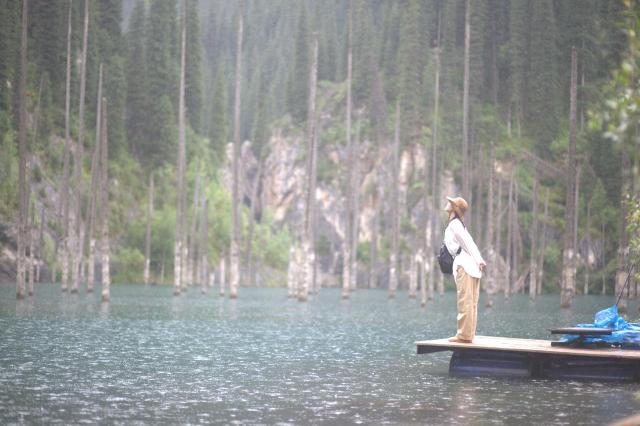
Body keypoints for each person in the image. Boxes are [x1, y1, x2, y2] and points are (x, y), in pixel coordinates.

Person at [443, 196, 486, 343]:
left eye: (451, 203)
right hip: (471, 266)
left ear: (455, 209)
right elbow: (471, 243)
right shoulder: (459, 225)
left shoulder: (455, 225)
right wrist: (478, 259)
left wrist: (479, 259)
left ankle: (463, 335)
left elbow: (468, 243)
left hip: (465, 266)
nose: (448, 204)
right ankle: (468, 335)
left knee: (465, 301)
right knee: (471, 303)